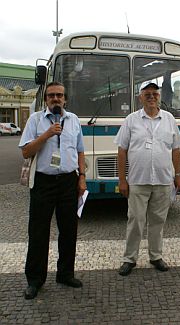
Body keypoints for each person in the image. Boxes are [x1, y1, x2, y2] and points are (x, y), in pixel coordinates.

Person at [19, 81, 86, 300]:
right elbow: (26, 152)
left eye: (59, 95)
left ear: (65, 99)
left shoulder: (73, 120)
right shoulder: (35, 120)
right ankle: (35, 280)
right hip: (43, 182)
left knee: (69, 231)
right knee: (38, 232)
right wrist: (46, 134)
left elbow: (80, 151)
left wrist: (82, 178)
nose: (55, 99)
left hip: (68, 181)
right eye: (51, 96)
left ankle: (65, 274)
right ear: (45, 99)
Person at [115, 82, 180, 276]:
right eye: (147, 94)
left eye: (154, 94)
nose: (151, 97)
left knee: (158, 221)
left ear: (159, 97)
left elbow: (176, 149)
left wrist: (178, 175)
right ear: (140, 98)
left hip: (163, 180)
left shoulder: (169, 119)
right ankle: (130, 258)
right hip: (137, 180)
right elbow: (121, 150)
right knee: (135, 220)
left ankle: (156, 256)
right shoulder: (131, 120)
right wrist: (122, 179)